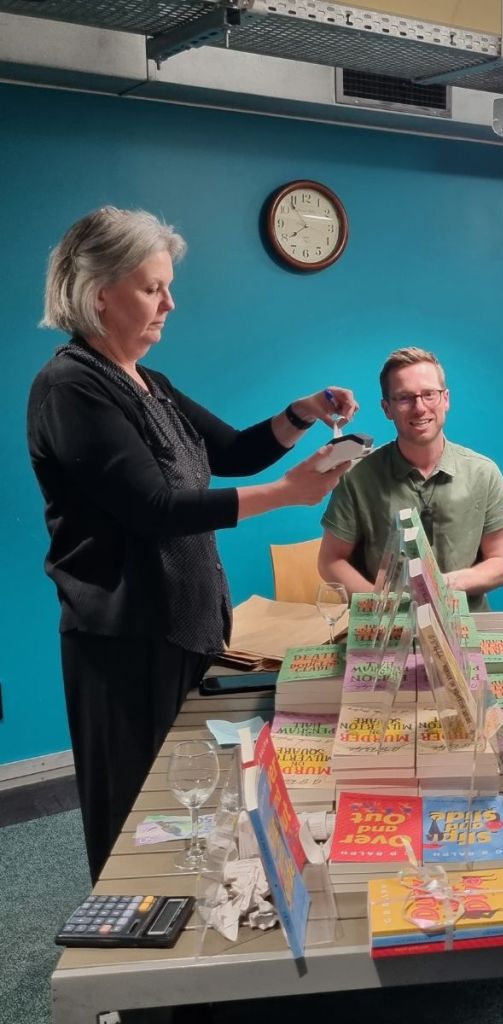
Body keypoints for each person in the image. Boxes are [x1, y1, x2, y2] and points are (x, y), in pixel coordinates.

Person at [27, 206, 358, 883]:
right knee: (134, 814)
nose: (170, 304)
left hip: (182, 628)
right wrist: (287, 495)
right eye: (153, 288)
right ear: (99, 294)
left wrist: (302, 413)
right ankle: (133, 940)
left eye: (168, 287)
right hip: (125, 641)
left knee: (189, 806)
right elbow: (153, 509)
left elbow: (232, 451)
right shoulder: (70, 387)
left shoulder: (149, 382)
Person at [319, 347, 503, 612]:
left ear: (446, 399)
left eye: (429, 394)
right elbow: (330, 561)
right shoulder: (356, 476)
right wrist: (382, 606)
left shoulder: (484, 473)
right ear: (387, 409)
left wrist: (443, 585)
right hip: (387, 626)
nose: (420, 408)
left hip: (466, 623)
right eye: (404, 398)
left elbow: (501, 563)